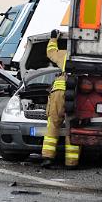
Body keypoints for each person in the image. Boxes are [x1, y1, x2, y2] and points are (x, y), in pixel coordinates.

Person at [40, 29, 80, 168]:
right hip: (78, 93)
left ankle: (47, 158)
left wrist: (53, 38)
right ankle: (71, 162)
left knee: (53, 124)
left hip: (59, 91)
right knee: (73, 127)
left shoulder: (64, 54)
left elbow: (50, 52)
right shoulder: (86, 56)